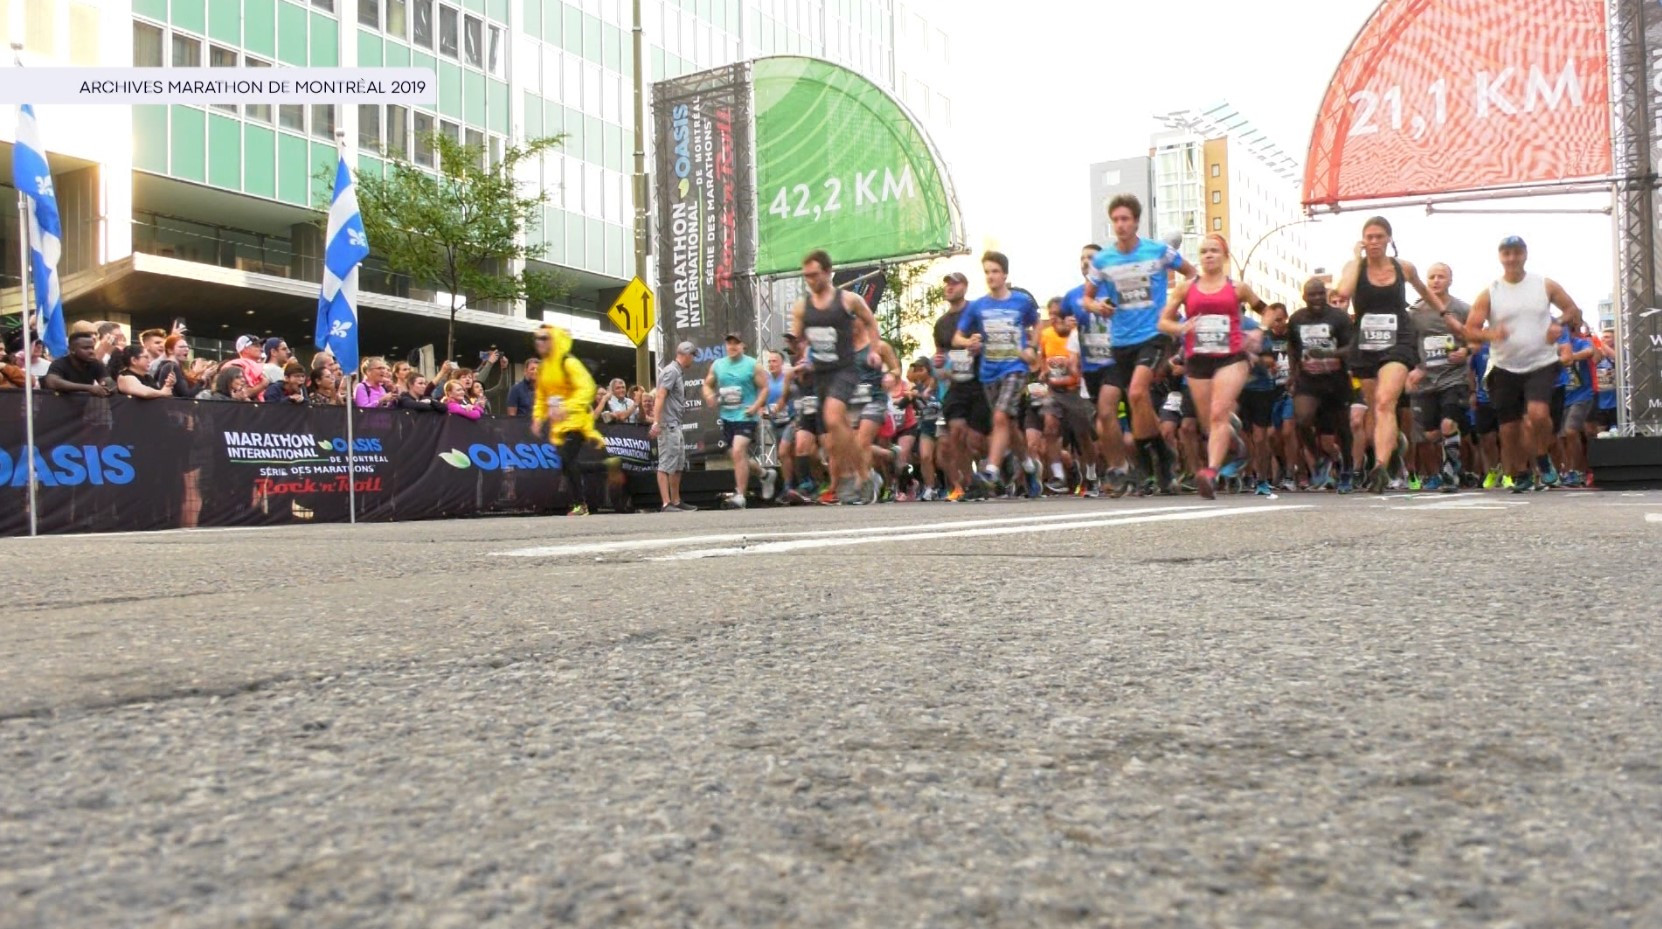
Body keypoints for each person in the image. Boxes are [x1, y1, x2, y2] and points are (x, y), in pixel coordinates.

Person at [1082, 194, 1196, 494]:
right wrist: (1098, 307)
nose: (1120, 225)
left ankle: (1148, 459)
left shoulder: (1158, 251)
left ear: (1136, 222)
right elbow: (1087, 298)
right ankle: (1161, 453)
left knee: (1136, 391)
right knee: (1135, 403)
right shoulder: (1103, 259)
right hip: (1121, 340)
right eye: (1116, 220)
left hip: (1155, 333)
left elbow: (1191, 273)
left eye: (1125, 219)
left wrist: (1173, 305)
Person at [1331, 216, 1451, 493]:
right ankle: (1394, 449)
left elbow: (1425, 292)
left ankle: (1381, 466)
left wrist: (1446, 316)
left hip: (1398, 340)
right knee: (1376, 409)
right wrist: (1354, 258)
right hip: (1366, 343)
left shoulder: (1404, 268)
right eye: (1369, 237)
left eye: (1379, 237)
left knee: (1386, 402)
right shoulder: (1355, 266)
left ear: (1388, 239)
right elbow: (1344, 291)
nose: (1374, 242)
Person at [1462, 236, 1587, 493]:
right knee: (1508, 430)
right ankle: (1521, 472)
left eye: (1516, 253)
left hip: (1541, 361)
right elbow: (1470, 331)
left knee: (1538, 414)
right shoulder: (1490, 292)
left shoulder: (1544, 285)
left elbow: (1572, 310)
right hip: (1505, 366)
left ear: (1525, 255)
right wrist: (1491, 334)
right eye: (1506, 253)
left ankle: (1542, 457)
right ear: (1500, 257)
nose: (1512, 258)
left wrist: (1558, 324)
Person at [1157, 233, 1266, 499]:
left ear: (1224, 256)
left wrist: (1260, 331)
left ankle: (1211, 472)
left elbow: (1267, 310)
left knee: (1218, 412)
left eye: (1214, 250)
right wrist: (1181, 327)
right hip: (1198, 359)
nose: (1208, 255)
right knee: (1209, 422)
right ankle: (1236, 444)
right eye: (1204, 251)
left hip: (1232, 357)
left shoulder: (1238, 288)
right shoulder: (1186, 288)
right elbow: (1163, 322)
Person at [789, 249, 882, 504]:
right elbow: (799, 341)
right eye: (806, 276)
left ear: (828, 273)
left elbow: (871, 322)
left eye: (815, 275)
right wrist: (801, 358)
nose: (810, 280)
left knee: (832, 416)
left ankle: (860, 475)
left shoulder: (847, 300)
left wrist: (874, 350)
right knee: (832, 435)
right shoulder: (801, 308)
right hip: (820, 374)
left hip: (844, 369)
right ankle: (862, 473)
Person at [954, 251, 1041, 492]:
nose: (991, 276)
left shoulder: (1021, 302)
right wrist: (968, 342)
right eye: (987, 272)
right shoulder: (978, 306)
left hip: (1015, 368)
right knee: (1009, 427)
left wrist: (1032, 347)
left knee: (1001, 417)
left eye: (995, 272)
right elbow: (957, 337)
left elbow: (1037, 324)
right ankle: (1030, 467)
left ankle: (990, 471)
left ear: (1005, 275)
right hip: (989, 372)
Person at [530, 325, 622, 517]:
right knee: (567, 463)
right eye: (537, 338)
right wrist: (538, 418)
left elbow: (587, 388)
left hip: (579, 421)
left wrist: (566, 407)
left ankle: (580, 505)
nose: (540, 342)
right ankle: (606, 465)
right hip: (560, 426)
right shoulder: (545, 368)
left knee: (566, 459)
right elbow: (542, 396)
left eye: (544, 338)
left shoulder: (568, 362)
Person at [1408, 263, 1472, 493]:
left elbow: (1476, 340)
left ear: (1450, 280)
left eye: (1441, 277)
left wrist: (1466, 351)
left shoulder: (1463, 309)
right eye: (1431, 277)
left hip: (1454, 378)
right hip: (1426, 383)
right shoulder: (1415, 313)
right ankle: (1444, 469)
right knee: (1431, 434)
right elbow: (1408, 344)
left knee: (1448, 424)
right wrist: (1416, 368)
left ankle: (1451, 474)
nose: (1436, 281)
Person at [932, 270, 991, 501]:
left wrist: (980, 347)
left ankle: (994, 471)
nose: (949, 287)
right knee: (956, 433)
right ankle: (969, 484)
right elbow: (939, 355)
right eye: (946, 284)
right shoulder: (941, 323)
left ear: (965, 287)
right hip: (956, 384)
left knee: (976, 442)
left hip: (980, 381)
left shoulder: (976, 313)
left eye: (954, 284)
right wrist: (938, 363)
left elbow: (991, 340)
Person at [1039, 296, 1100, 495]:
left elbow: (1083, 367)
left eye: (1059, 315)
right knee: (1050, 426)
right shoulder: (1046, 334)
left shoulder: (1077, 335)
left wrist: (1066, 378)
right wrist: (1044, 372)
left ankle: (1091, 475)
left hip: (1076, 392)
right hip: (1054, 391)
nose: (1055, 319)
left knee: (1083, 436)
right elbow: (1043, 357)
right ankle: (1058, 476)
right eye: (1052, 315)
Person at [704, 332, 771, 508]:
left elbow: (764, 388)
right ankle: (765, 474)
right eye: (729, 343)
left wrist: (755, 407)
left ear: (742, 346)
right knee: (736, 455)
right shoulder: (718, 365)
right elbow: (707, 384)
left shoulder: (752, 365)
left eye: (736, 343)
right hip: (727, 417)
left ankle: (740, 495)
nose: (732, 347)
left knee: (739, 449)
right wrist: (710, 395)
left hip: (746, 416)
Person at [650, 340, 697, 512]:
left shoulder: (676, 371)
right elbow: (660, 396)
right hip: (668, 425)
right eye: (692, 355)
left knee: (678, 464)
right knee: (665, 464)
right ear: (685, 354)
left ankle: (676, 501)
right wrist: (656, 422)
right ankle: (666, 503)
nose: (693, 359)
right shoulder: (671, 371)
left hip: (675, 424)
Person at [1557, 323, 1597, 487]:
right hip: (1563, 396)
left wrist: (1570, 357)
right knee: (1562, 437)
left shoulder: (1580, 343)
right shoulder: (1553, 347)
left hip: (1582, 395)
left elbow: (1590, 352)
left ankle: (1577, 470)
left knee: (1571, 431)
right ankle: (1570, 470)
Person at [43, 331, 114, 396]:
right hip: (59, 406)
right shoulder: (59, 363)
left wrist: (107, 386)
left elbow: (111, 385)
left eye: (92, 348)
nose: (91, 351)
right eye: (86, 348)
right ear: (72, 350)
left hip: (84, 407)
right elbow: (52, 382)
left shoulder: (96, 364)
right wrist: (89, 388)